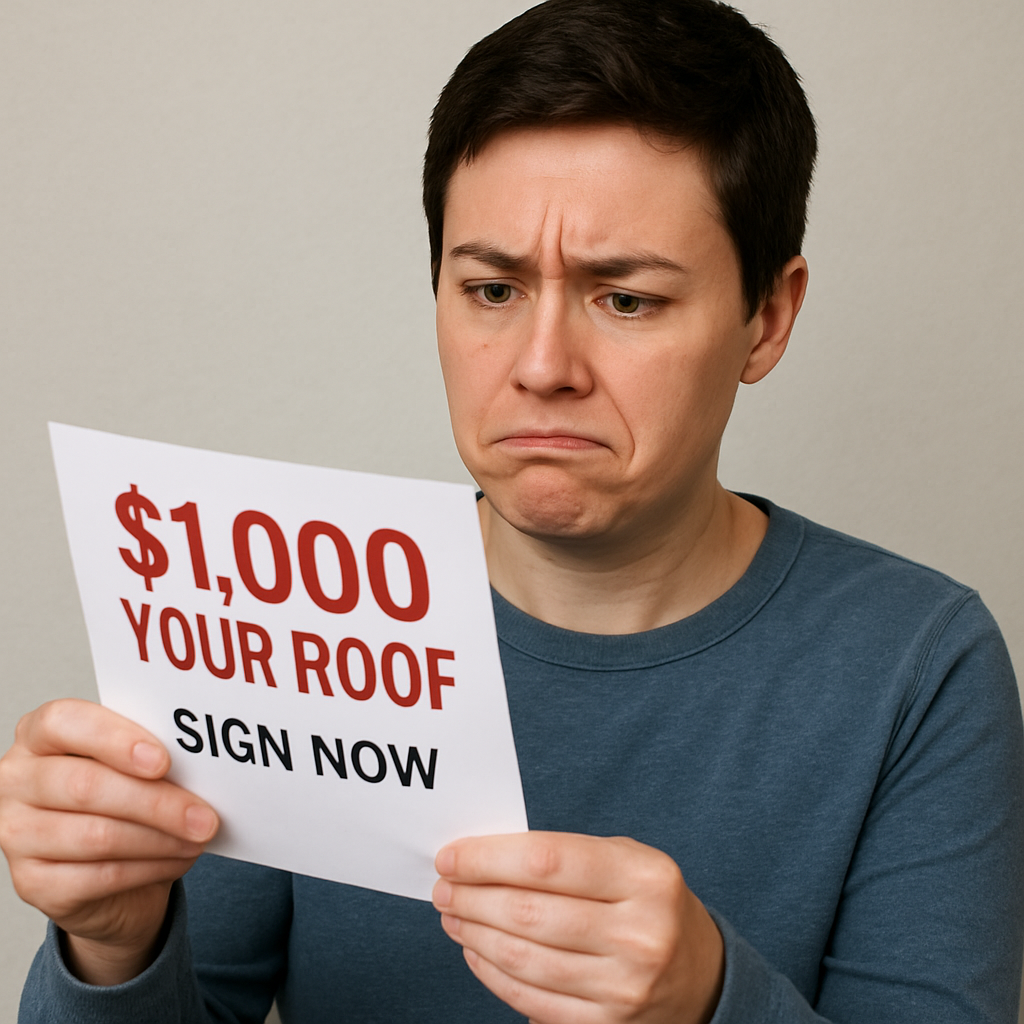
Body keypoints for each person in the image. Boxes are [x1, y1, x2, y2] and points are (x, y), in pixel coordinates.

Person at [2, 0, 1022, 1021]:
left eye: (624, 298)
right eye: (491, 290)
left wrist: (709, 999)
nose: (541, 369)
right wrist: (111, 943)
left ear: (767, 317)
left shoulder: (918, 664)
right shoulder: (293, 620)